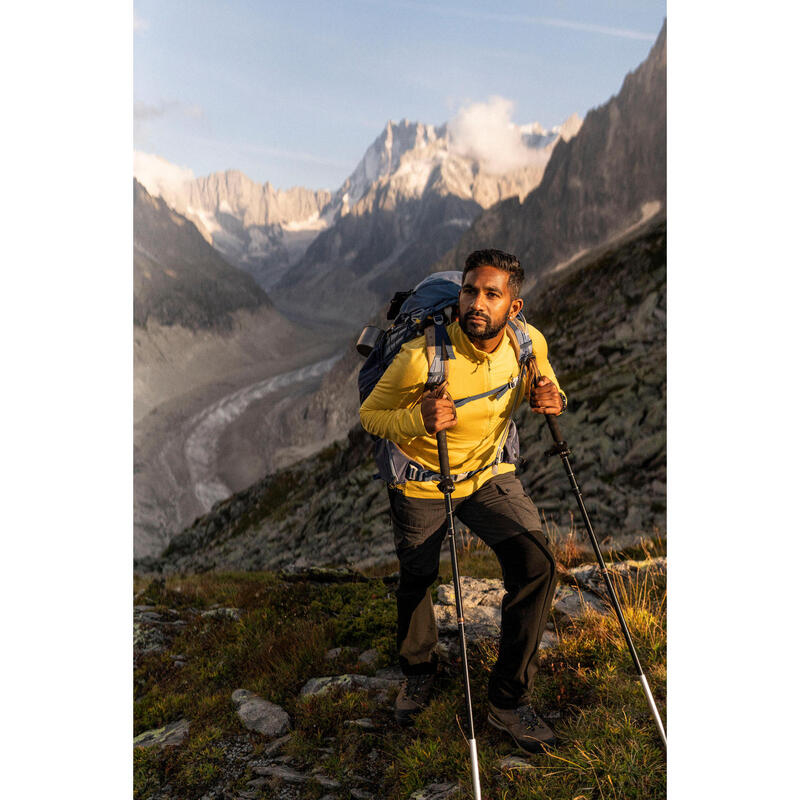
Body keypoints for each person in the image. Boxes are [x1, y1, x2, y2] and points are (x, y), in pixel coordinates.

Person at [359, 249, 567, 753]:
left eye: (491, 295)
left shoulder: (527, 343)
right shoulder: (421, 357)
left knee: (537, 564)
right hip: (423, 480)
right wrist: (418, 420)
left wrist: (553, 396)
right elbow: (371, 415)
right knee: (419, 575)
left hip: (488, 472)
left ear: (513, 308)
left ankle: (508, 702)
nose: (476, 303)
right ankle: (418, 666)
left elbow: (547, 380)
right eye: (470, 290)